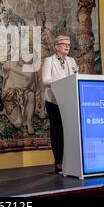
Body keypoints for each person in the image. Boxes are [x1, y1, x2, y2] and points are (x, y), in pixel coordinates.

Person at [41, 35, 78, 174]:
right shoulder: (49, 61)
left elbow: (76, 76)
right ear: (56, 47)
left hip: (69, 100)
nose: (67, 46)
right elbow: (45, 80)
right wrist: (63, 83)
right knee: (57, 131)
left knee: (69, 131)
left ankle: (71, 161)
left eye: (68, 44)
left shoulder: (72, 60)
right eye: (63, 44)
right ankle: (59, 162)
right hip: (53, 100)